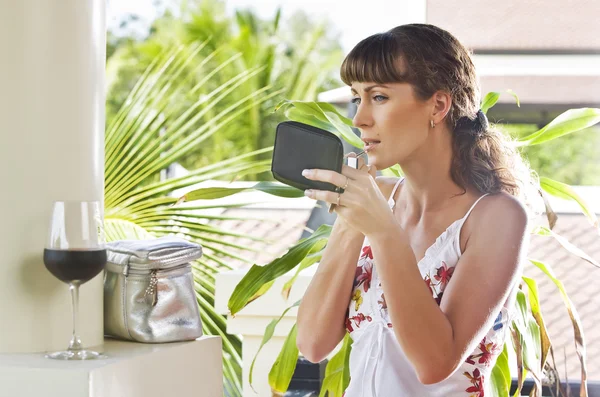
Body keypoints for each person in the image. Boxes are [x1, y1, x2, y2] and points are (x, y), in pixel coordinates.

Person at [296, 23, 537, 396]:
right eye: (356, 97)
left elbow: (434, 363)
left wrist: (383, 231)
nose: (359, 118)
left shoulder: (497, 218)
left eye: (378, 97)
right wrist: (350, 222)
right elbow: (312, 345)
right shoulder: (377, 199)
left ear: (439, 105)